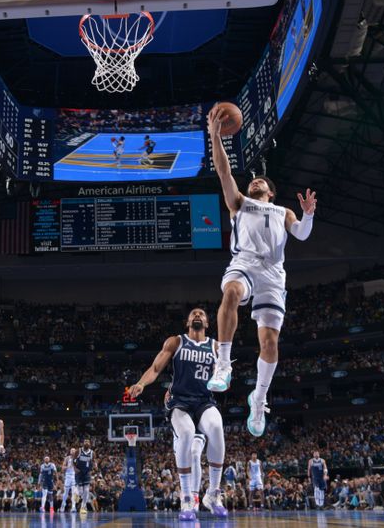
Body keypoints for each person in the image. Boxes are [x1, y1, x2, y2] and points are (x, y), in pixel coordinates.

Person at [204, 106, 317, 438]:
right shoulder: (239, 203)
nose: (254, 181)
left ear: (270, 191)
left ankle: (259, 398)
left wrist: (307, 215)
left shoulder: (283, 211)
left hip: (273, 276)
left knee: (269, 344)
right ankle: (223, 364)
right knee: (231, 292)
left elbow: (302, 235)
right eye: (252, 180)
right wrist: (214, 138)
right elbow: (224, 172)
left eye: (260, 181)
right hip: (245, 263)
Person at [129, 308, 228, 521]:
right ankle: (186, 498)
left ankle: (213, 493)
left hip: (203, 401)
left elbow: (226, 375)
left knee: (217, 426)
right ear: (187, 322)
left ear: (208, 323)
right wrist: (140, 383)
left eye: (201, 314)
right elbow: (155, 369)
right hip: (179, 402)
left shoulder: (216, 347)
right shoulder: (176, 342)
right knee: (186, 433)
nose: (198, 315)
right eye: (194, 314)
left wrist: (224, 377)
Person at [74, 439, 95, 513]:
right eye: (85, 442)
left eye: (88, 442)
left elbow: (92, 462)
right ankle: (76, 495)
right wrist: (75, 468)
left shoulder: (92, 453)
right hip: (79, 472)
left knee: (86, 490)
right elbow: (74, 460)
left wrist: (91, 470)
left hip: (86, 473)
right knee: (80, 492)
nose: (86, 443)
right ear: (83, 443)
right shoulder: (78, 451)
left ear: (90, 444)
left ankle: (83, 507)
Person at [59, 448, 78, 512]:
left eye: (73, 450)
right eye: (71, 450)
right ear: (70, 451)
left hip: (74, 476)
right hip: (68, 476)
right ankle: (63, 505)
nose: (72, 451)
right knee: (66, 492)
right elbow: (62, 468)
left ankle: (73, 506)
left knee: (74, 492)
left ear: (75, 452)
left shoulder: (77, 458)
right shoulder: (67, 458)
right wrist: (68, 467)